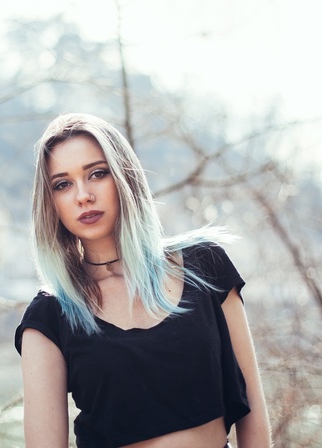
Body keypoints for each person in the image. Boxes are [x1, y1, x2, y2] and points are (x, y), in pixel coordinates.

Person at [14, 113, 271, 448]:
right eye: (63, 184)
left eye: (97, 173)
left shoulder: (205, 265)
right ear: (50, 203)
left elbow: (253, 412)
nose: (83, 195)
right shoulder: (49, 317)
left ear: (124, 176)